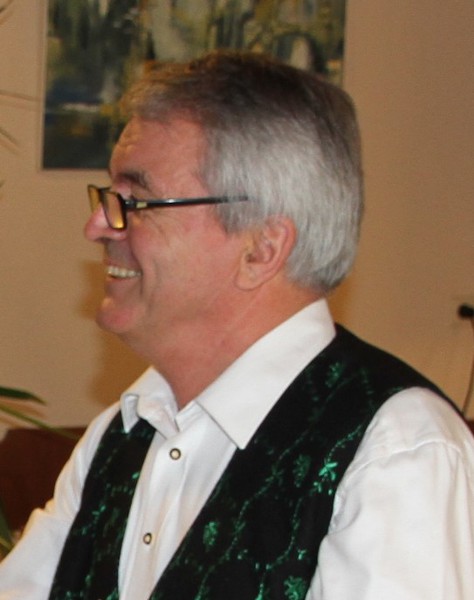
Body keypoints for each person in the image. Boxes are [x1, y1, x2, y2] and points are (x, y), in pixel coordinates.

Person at [1, 50, 473, 600]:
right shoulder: (125, 430)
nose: (98, 225)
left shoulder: (397, 451)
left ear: (261, 248)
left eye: (137, 201)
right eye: (110, 197)